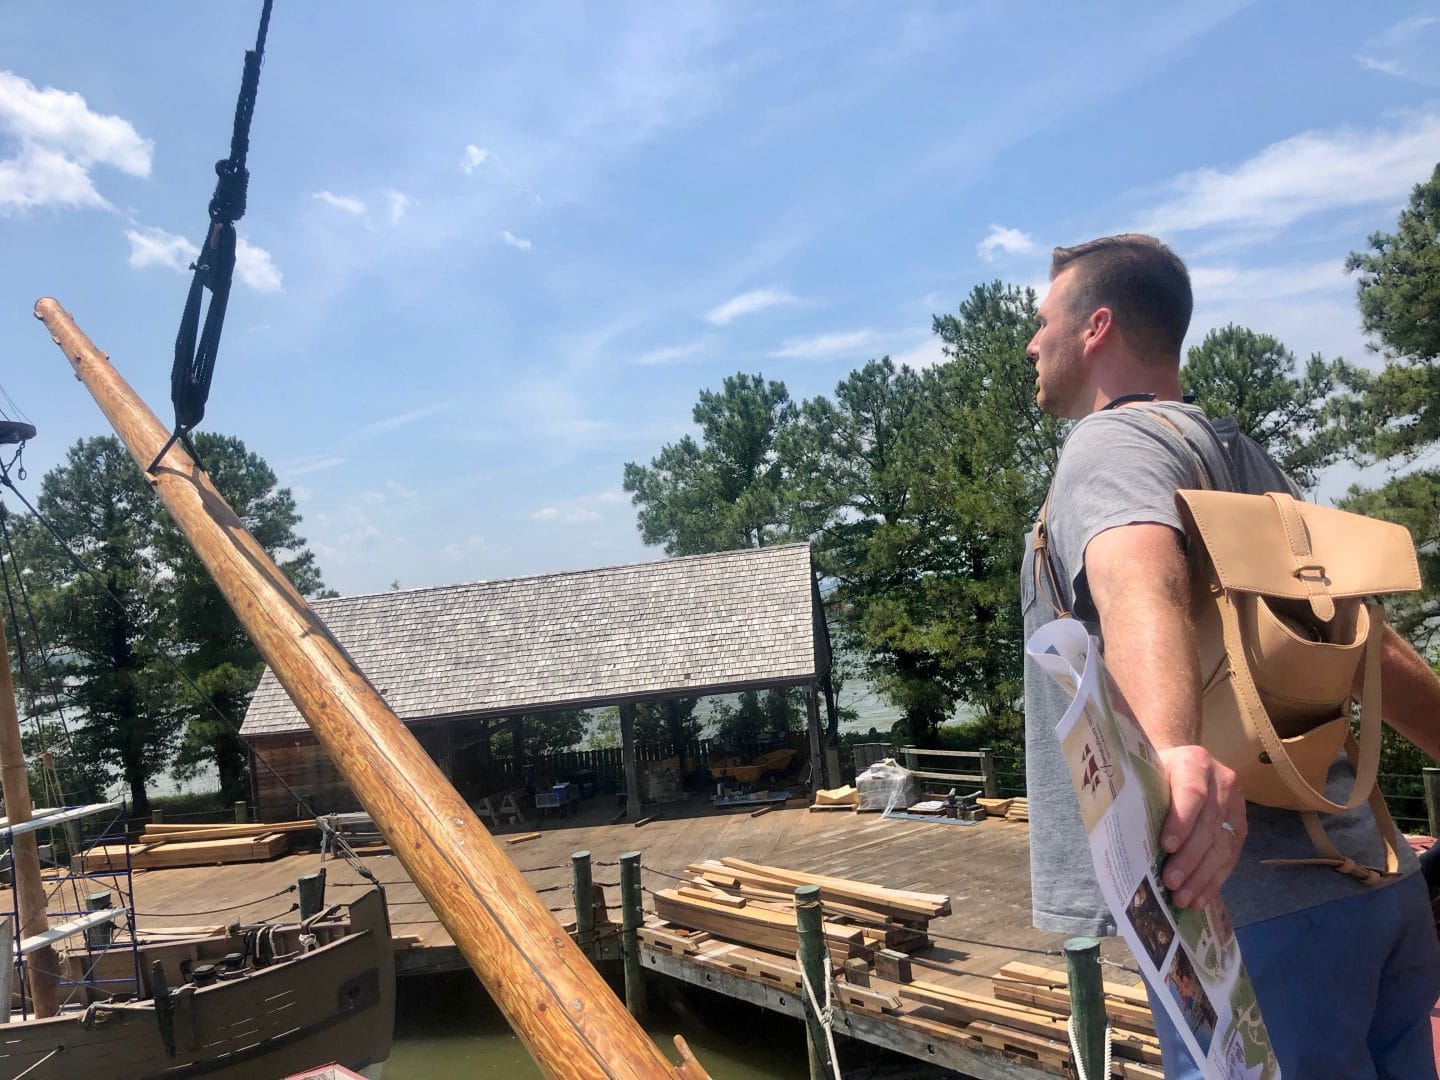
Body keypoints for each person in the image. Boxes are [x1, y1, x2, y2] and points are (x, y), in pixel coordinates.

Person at [1020, 233, 1440, 1078]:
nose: (1031, 344)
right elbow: (1365, 636)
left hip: (1250, 923)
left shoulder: (1108, 447)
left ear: (1096, 327)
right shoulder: (1241, 460)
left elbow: (1137, 569)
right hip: (1375, 887)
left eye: (1041, 321)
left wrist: (1174, 751)